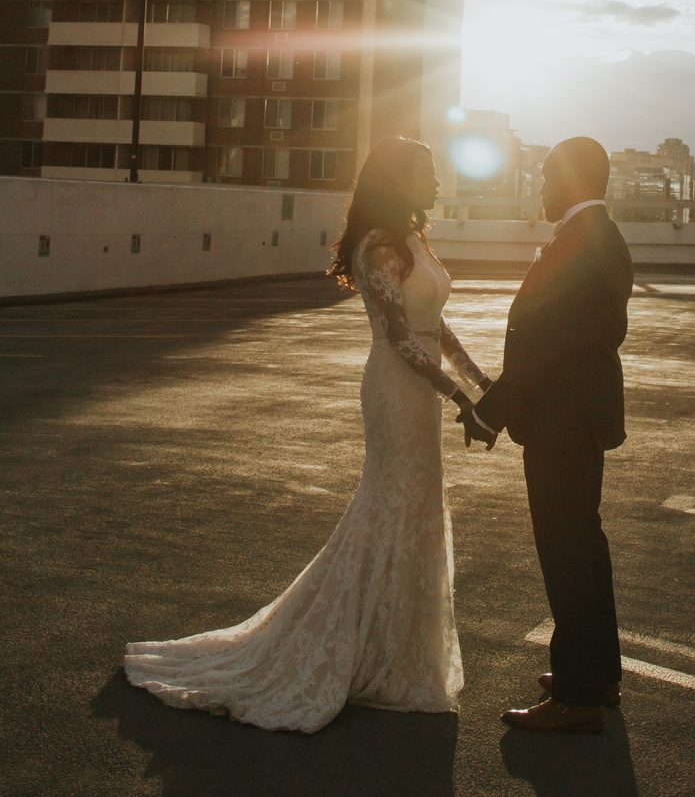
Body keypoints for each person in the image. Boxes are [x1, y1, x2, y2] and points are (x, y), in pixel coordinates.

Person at [123, 135, 493, 733]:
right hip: (398, 392)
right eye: (426, 171)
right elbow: (400, 337)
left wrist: (480, 379)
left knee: (417, 507)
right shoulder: (377, 248)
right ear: (399, 180)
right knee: (390, 503)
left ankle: (396, 652)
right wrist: (458, 396)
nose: (437, 181)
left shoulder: (414, 241)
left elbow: (435, 324)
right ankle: (356, 646)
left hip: (422, 390)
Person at [468, 136, 634, 734]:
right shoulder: (602, 236)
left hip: (562, 422)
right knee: (585, 545)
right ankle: (596, 670)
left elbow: (545, 346)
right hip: (582, 417)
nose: (539, 186)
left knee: (565, 551)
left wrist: (489, 411)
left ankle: (578, 693)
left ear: (571, 179)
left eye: (544, 176)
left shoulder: (578, 244)